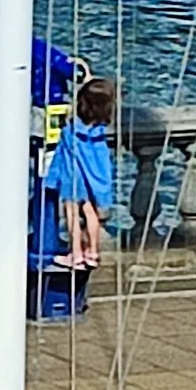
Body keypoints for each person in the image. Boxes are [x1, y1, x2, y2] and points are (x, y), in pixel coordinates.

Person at [44, 76, 118, 270]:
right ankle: (92, 253)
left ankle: (75, 254)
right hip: (92, 178)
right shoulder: (99, 131)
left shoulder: (71, 130)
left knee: (72, 214)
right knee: (91, 213)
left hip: (73, 178)